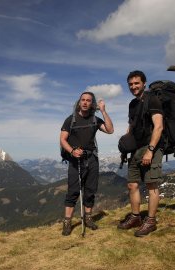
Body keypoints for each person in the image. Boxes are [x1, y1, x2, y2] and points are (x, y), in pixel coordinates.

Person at [60, 91, 114, 236]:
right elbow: (63, 140)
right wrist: (72, 151)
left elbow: (110, 130)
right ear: (79, 102)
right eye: (82, 100)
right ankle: (67, 222)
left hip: (92, 159)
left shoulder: (95, 119)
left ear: (92, 104)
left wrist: (103, 111)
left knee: (90, 190)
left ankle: (88, 218)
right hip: (75, 159)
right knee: (73, 191)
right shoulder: (70, 120)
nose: (85, 102)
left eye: (88, 100)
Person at [117, 70, 163, 237]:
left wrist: (150, 151)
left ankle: (150, 221)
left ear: (144, 83)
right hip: (135, 149)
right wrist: (126, 145)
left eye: (136, 83)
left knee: (152, 185)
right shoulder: (132, 104)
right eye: (130, 84)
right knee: (132, 184)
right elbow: (131, 126)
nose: (133, 86)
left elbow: (159, 126)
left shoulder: (153, 99)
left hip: (151, 147)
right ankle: (136, 217)